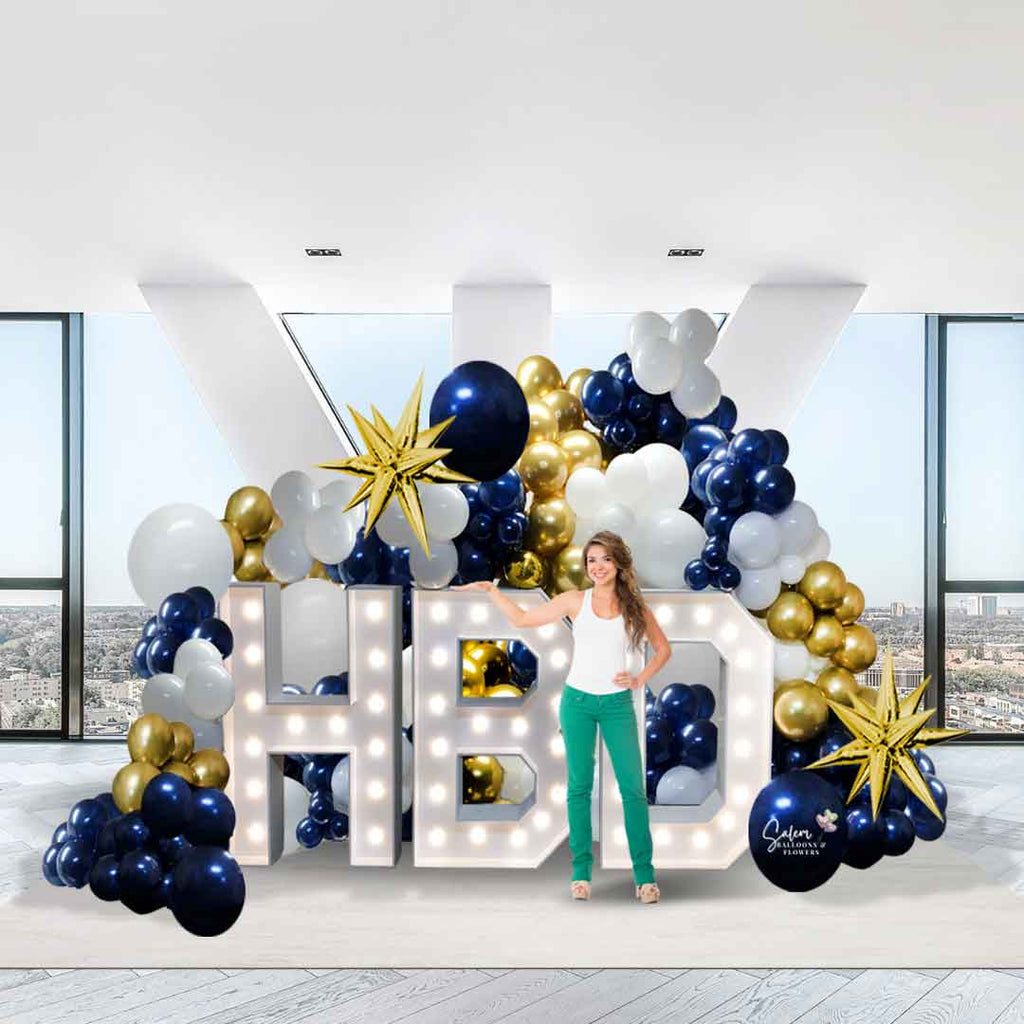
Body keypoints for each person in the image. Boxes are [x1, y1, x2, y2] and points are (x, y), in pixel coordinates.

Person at [458, 530, 671, 904]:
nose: (598, 566)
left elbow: (663, 649)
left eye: (605, 559)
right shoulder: (575, 601)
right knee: (578, 788)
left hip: (618, 705)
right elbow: (524, 620)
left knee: (633, 790)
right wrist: (492, 592)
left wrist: (640, 679)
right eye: (591, 560)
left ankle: (645, 877)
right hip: (577, 704)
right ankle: (580, 873)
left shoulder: (635, 607)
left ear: (619, 563)